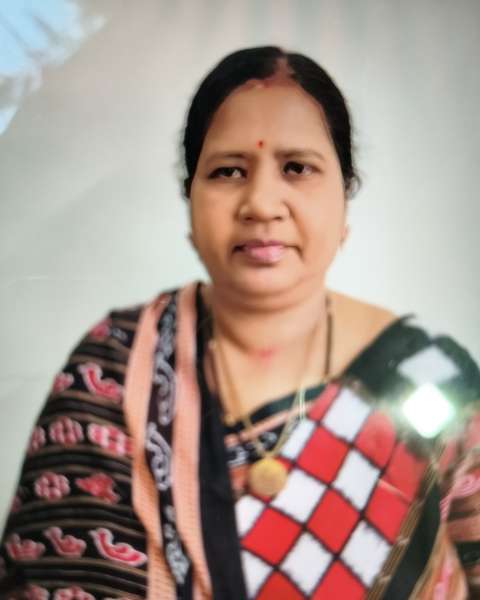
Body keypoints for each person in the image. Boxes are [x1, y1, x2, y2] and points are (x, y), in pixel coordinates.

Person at [0, 46, 479, 600]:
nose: (261, 203)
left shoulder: (428, 377)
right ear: (190, 199)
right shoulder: (114, 368)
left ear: (345, 197)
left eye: (297, 168)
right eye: (228, 171)